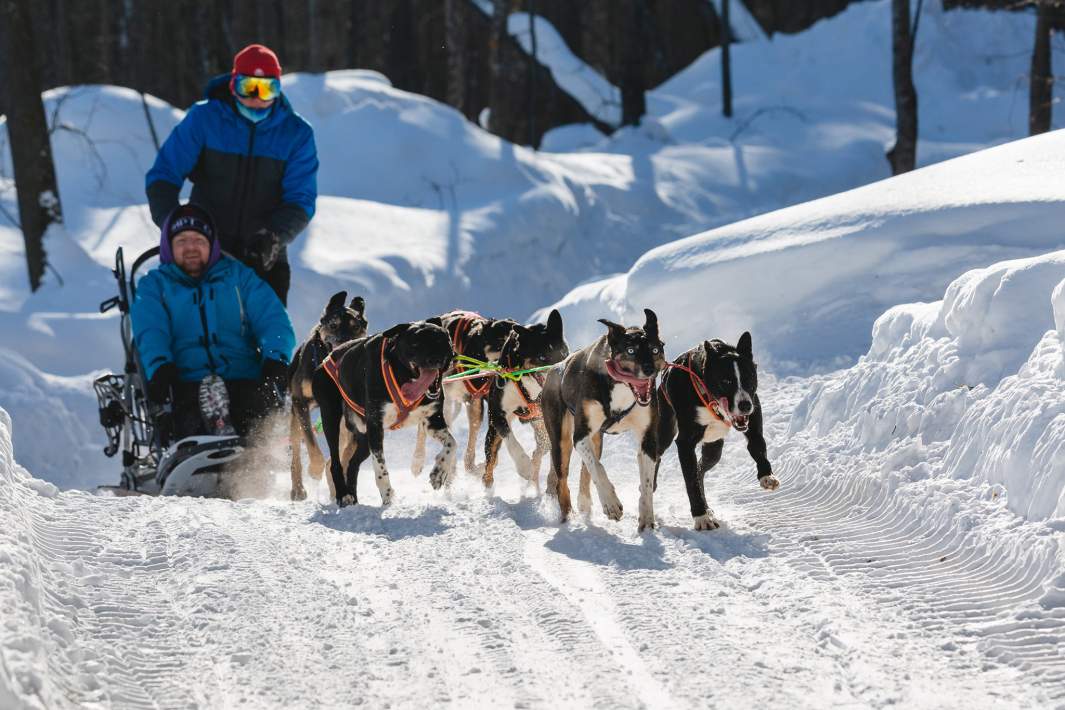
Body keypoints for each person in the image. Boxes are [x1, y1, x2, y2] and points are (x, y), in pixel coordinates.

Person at [145, 43, 318, 306]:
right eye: (248, 87)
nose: (257, 97)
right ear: (232, 85)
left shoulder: (297, 133)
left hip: (264, 257)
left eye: (267, 88)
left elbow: (301, 200)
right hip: (204, 251)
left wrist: (272, 237)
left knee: (270, 340)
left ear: (279, 89)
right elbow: (163, 175)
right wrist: (177, 227)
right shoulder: (204, 118)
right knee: (193, 336)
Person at [132, 203, 296, 442]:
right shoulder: (154, 286)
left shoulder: (239, 277)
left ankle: (249, 445)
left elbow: (273, 319)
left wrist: (276, 358)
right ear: (168, 247)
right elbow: (150, 330)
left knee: (256, 405)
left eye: (198, 240)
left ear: (211, 244)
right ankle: (218, 435)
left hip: (243, 376)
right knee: (190, 411)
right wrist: (159, 365)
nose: (191, 248)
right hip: (186, 380)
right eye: (181, 241)